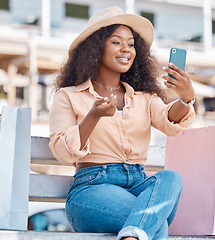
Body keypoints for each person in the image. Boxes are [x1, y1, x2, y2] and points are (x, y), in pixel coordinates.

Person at [49, 6, 196, 240]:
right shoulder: (69, 96)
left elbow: (169, 121)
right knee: (153, 220)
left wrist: (187, 98)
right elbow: (62, 152)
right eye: (116, 42)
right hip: (91, 190)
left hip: (138, 183)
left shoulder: (144, 98)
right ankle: (136, 231)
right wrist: (93, 117)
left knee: (171, 179)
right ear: (96, 49)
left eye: (131, 43)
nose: (126, 49)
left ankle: (132, 235)